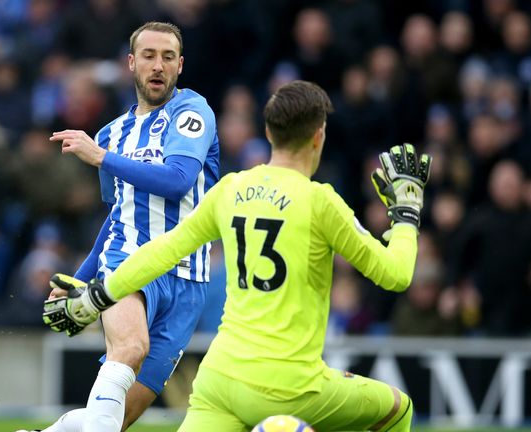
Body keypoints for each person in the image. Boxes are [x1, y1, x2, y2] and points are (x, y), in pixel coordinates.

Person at [44, 80, 430, 431]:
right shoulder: (320, 202)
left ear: (267, 132)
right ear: (318, 135)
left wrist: (99, 294)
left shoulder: (232, 188)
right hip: (290, 385)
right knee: (399, 409)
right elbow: (395, 274)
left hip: (219, 383)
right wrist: (406, 216)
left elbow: (161, 251)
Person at [33, 22, 220, 432]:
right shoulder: (111, 133)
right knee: (130, 347)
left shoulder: (191, 112)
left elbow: (177, 180)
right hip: (130, 260)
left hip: (189, 279)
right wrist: (79, 280)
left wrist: (102, 158)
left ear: (180, 65)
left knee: (119, 415)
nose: (158, 66)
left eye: (168, 57)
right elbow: (120, 213)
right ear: (131, 63)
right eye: (149, 56)